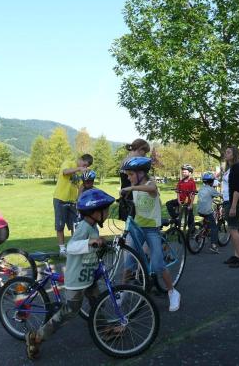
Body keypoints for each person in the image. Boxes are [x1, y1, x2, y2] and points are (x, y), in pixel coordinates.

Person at [25, 189, 115, 360]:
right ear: (95, 212)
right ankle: (37, 337)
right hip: (76, 279)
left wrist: (104, 243)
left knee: (97, 302)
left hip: (87, 276)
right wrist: (91, 241)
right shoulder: (83, 228)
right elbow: (72, 247)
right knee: (69, 311)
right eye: (106, 209)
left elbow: (94, 244)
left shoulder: (92, 225)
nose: (108, 213)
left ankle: (104, 330)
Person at [120, 156, 181, 312]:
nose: (128, 178)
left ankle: (172, 292)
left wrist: (131, 188)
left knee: (158, 264)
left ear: (141, 173)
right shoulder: (136, 185)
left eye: (130, 174)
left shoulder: (150, 184)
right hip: (138, 228)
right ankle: (123, 292)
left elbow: (152, 190)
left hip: (152, 229)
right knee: (129, 262)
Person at [53, 154, 93, 255]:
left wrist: (79, 201)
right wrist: (79, 168)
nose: (84, 167)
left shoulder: (81, 173)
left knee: (75, 225)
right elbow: (65, 172)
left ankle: (74, 246)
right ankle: (62, 249)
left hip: (72, 202)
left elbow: (80, 187)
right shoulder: (68, 163)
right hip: (60, 199)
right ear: (79, 159)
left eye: (86, 166)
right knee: (60, 224)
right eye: (83, 165)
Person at [223, 146, 239, 268]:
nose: (226, 153)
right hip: (230, 201)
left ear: (234, 155)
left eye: (228, 152)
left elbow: (237, 189)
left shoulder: (237, 167)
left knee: (233, 229)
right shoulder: (231, 168)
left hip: (235, 202)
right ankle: (237, 255)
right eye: (226, 152)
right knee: (236, 229)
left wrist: (233, 206)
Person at [119, 138, 151, 221]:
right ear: (140, 149)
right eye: (145, 153)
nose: (144, 156)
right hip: (133, 198)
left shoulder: (125, 160)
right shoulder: (133, 163)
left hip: (126, 196)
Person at [165, 164, 197, 230]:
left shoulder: (192, 182)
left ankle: (192, 230)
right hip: (180, 200)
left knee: (190, 216)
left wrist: (191, 204)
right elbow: (178, 192)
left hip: (188, 202)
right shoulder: (180, 182)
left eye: (185, 172)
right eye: (182, 172)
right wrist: (179, 201)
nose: (183, 173)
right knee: (168, 203)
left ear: (190, 173)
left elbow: (193, 194)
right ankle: (175, 217)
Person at [197, 172, 222, 253]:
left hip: (199, 210)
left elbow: (206, 197)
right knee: (214, 227)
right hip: (207, 211)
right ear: (212, 181)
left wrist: (212, 199)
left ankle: (204, 230)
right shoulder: (211, 189)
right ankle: (213, 245)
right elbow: (220, 195)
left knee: (207, 220)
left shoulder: (201, 188)